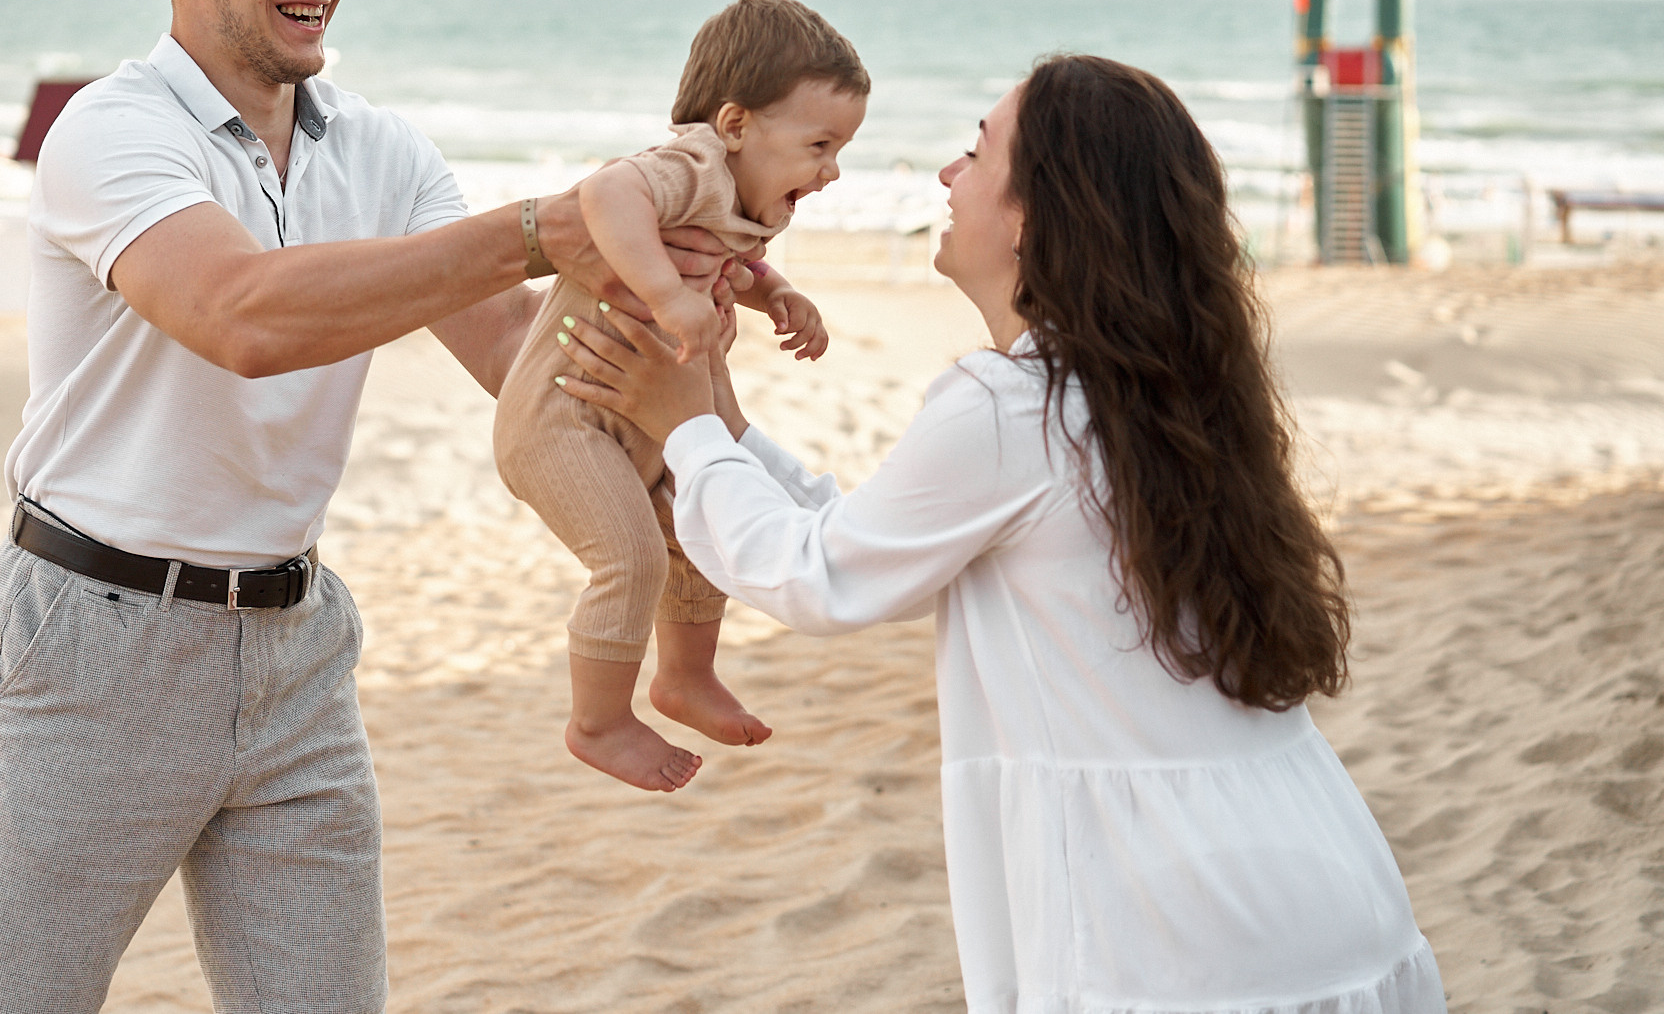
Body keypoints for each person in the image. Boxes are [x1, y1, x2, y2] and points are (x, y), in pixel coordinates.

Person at [0, 0, 740, 1014]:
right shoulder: (111, 131)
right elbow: (242, 319)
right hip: (101, 645)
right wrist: (533, 231)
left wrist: (676, 342)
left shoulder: (382, 148)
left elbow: (515, 352)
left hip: (300, 645)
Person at [554, 55, 1446, 1011]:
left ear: (1033, 215)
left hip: (1178, 929)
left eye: (976, 155)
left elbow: (816, 576)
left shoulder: (1011, 405)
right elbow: (871, 534)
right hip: (1326, 885)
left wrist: (685, 428)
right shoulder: (1151, 395)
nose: (948, 176)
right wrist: (708, 412)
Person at [494, 0, 865, 792]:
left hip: (642, 414)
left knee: (696, 530)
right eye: (820, 145)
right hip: (566, 420)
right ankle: (597, 721)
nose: (831, 171)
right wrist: (666, 295)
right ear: (734, 125)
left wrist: (779, 293)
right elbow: (606, 195)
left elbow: (734, 259)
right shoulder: (691, 163)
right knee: (628, 555)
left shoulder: (739, 196)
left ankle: (684, 678)